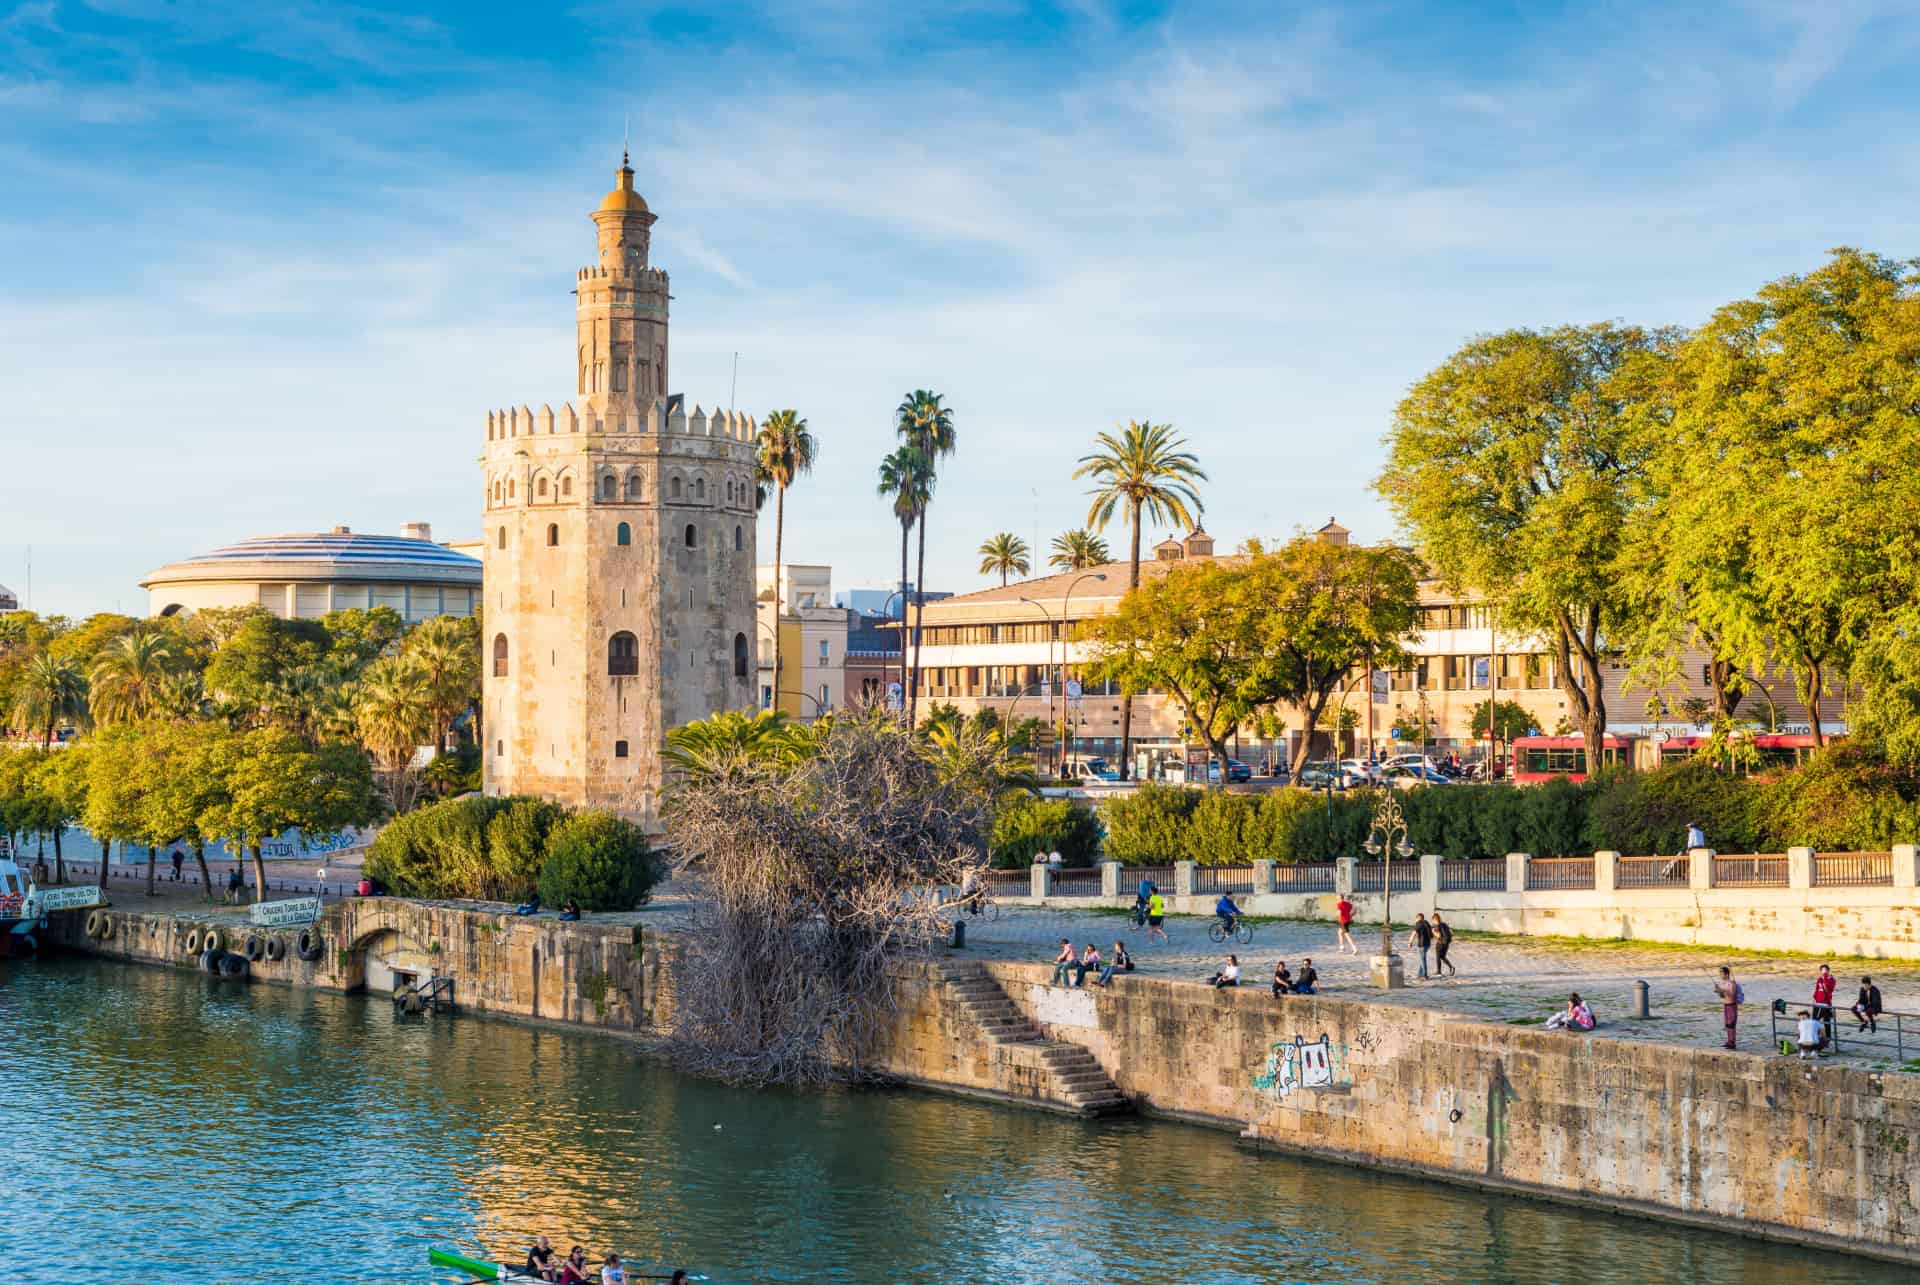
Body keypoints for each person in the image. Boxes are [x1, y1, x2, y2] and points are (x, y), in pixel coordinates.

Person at [1714, 966, 1742, 1050]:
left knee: (1731, 1024)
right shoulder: (1723, 983)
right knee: (1727, 1025)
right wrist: (1718, 991)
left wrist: (1722, 990)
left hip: (1732, 1005)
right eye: (1719, 973)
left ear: (1726, 974)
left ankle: (1733, 1043)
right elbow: (1722, 996)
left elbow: (1732, 995)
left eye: (1721, 973)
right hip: (1725, 1005)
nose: (1720, 974)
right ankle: (1729, 1041)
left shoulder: (1732, 983)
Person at [1812, 964, 1838, 1048]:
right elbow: (1816, 989)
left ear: (1828, 970)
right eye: (1822, 970)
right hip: (1817, 1003)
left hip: (1825, 1003)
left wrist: (1825, 977)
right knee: (1815, 1022)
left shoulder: (1832, 980)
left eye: (1825, 970)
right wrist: (1814, 998)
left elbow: (1828, 989)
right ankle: (1816, 1039)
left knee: (1826, 1022)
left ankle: (1827, 1040)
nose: (1823, 972)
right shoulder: (1819, 979)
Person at [1407, 913, 1433, 981]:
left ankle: (1425, 975)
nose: (1415, 920)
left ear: (1418, 918)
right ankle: (1420, 974)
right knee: (1422, 959)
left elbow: (1413, 933)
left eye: (1416, 919)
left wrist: (1410, 942)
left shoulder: (1418, 924)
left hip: (1422, 945)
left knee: (1423, 960)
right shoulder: (1426, 922)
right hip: (1428, 944)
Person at [1432, 911, 1456, 978]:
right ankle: (1451, 967)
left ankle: (1439, 971)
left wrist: (1433, 932)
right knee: (1442, 957)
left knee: (1438, 957)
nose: (1432, 922)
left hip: (1440, 943)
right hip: (1447, 943)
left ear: (1434, 919)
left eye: (1433, 920)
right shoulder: (1444, 924)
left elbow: (1439, 935)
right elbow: (1452, 932)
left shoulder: (1437, 926)